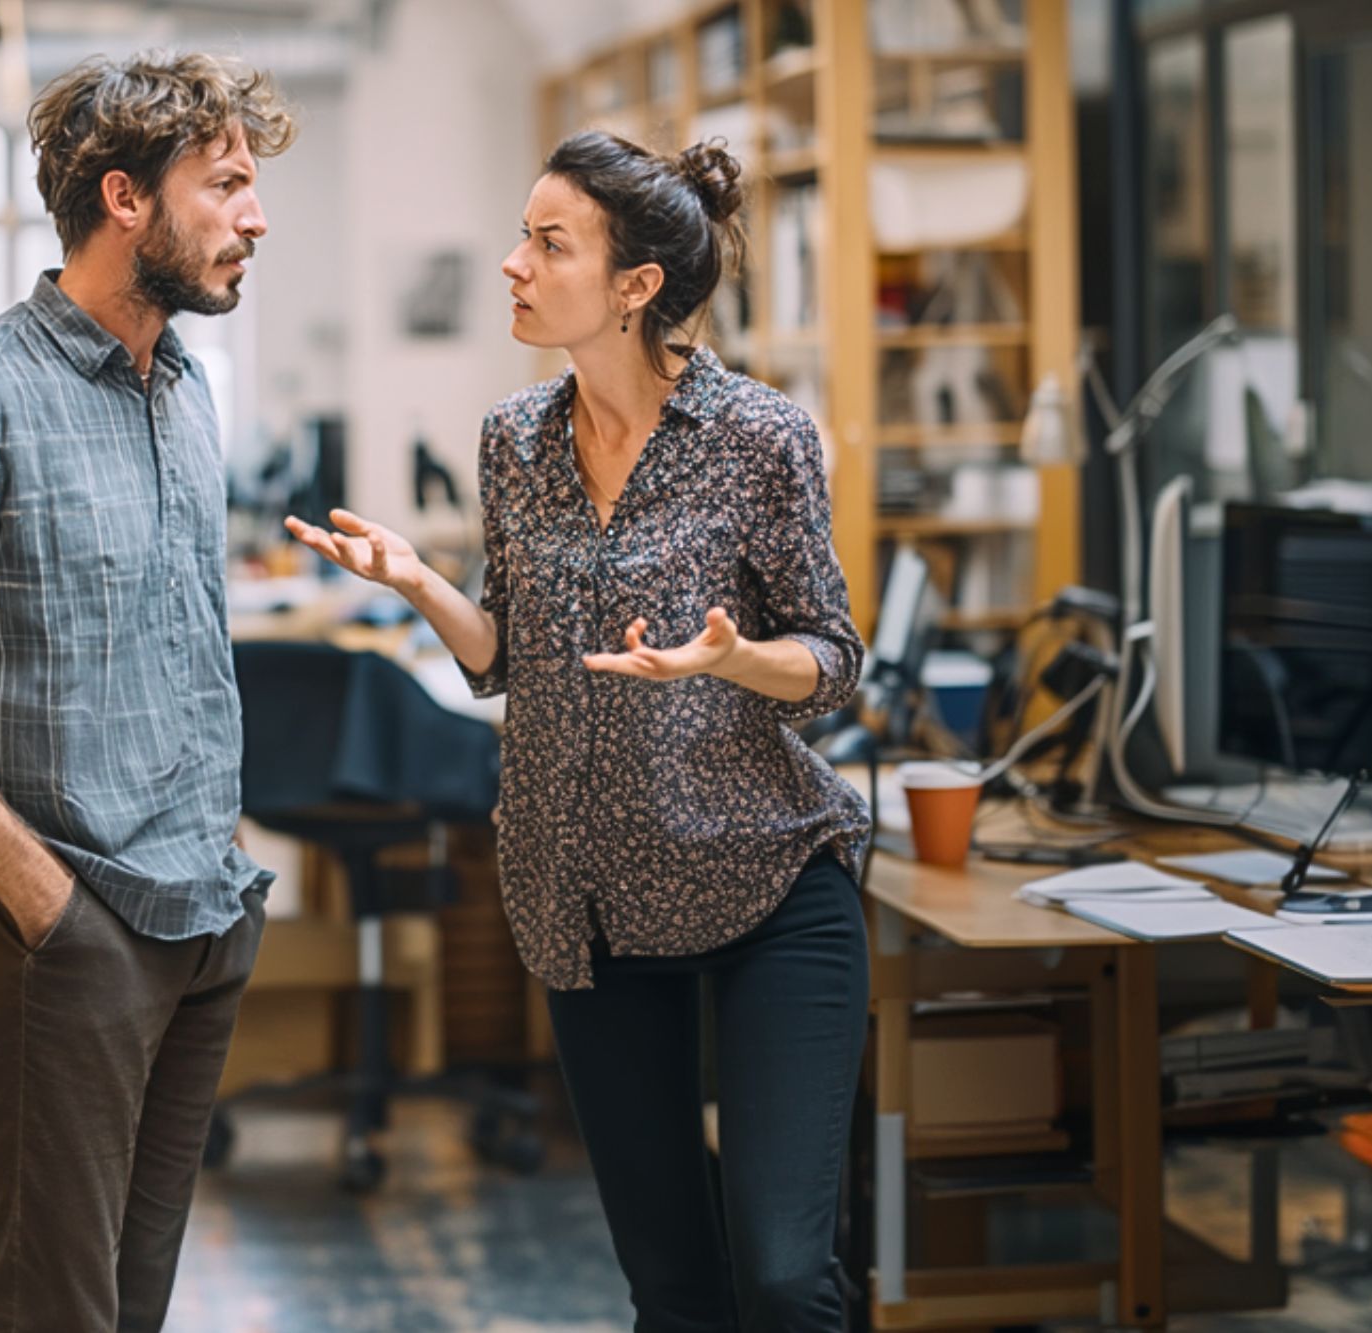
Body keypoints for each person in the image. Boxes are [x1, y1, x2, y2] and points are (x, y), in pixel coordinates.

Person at [288, 130, 873, 1332]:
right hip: (587, 900)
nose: (513, 264)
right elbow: (508, 655)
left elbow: (832, 661)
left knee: (780, 1278)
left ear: (634, 285)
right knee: (671, 1288)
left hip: (765, 886)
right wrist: (416, 582)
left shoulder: (759, 437)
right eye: (522, 236)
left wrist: (729, 658)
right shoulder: (514, 441)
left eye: (547, 243)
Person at [0, 52, 293, 1333]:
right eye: (227, 184)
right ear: (124, 198)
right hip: (59, 933)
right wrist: (40, 896)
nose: (254, 216)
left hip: (200, 909)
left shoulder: (183, 387)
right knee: (50, 1311)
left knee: (124, 1308)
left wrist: (223, 877)